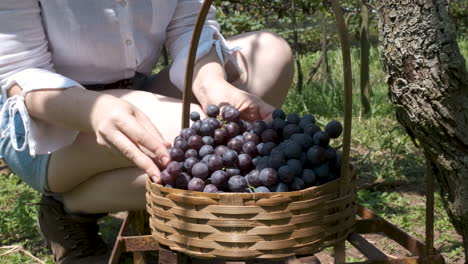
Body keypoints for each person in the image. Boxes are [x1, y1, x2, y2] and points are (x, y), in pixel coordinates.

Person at [0, 0, 294, 263]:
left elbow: (189, 26)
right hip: (45, 119)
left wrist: (212, 86)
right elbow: (18, 74)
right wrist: (95, 111)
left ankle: (79, 199)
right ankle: (67, 202)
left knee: (270, 55)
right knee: (205, 145)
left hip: (134, 88)